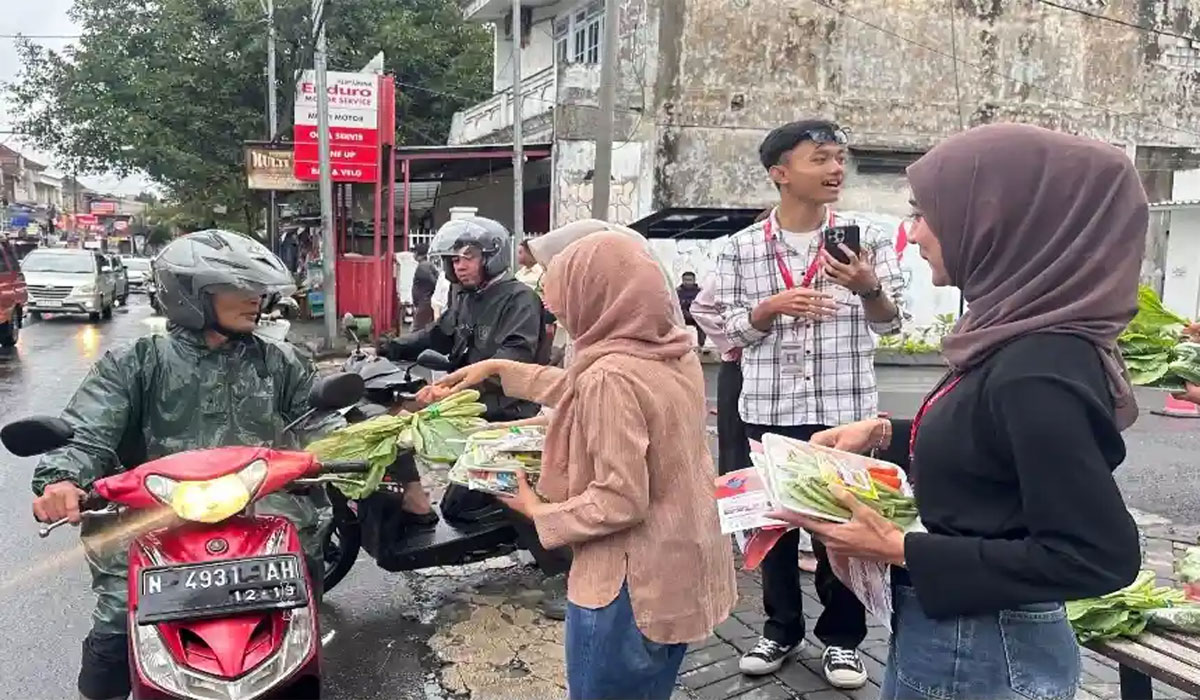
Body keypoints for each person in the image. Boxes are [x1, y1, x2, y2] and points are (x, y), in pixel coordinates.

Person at [775, 124, 1144, 700]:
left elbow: (1096, 556)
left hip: (983, 652)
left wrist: (897, 547)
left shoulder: (1038, 366)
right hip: (964, 640)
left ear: (1006, 223)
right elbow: (992, 446)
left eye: (926, 213)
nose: (915, 232)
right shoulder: (1013, 332)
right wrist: (884, 434)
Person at [435, 231, 736, 700]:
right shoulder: (673, 351)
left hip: (627, 585)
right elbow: (582, 388)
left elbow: (619, 499)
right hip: (680, 566)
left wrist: (537, 511)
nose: (558, 315)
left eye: (565, 303)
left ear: (597, 296)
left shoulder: (610, 376)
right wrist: (498, 369)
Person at [30, 230, 328, 700]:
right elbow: (87, 431)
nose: (255, 298)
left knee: (303, 582)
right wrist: (64, 478)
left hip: (259, 514)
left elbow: (323, 419)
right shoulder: (135, 362)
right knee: (115, 623)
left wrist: (359, 448)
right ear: (191, 295)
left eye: (257, 287)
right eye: (238, 287)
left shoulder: (281, 361)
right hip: (153, 520)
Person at [711, 119, 906, 686]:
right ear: (780, 173)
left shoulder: (867, 240)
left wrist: (868, 287)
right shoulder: (741, 248)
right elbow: (726, 332)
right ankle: (780, 629)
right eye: (820, 159)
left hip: (846, 412)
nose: (835, 169)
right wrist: (768, 309)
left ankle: (843, 640)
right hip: (770, 408)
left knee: (842, 527)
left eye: (839, 158)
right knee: (773, 527)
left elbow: (892, 325)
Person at [376, 216, 571, 613]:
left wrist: (452, 390)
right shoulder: (465, 297)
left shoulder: (519, 299)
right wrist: (390, 347)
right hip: (471, 408)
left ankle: (563, 573)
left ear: (492, 257)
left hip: (507, 413)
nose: (459, 265)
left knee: (503, 485)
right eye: (454, 259)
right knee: (456, 508)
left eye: (468, 257)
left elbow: (511, 361)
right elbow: (438, 335)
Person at [411, 243, 438, 330]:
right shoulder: (426, 265)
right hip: (425, 301)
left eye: (414, 252)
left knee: (418, 328)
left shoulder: (423, 266)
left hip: (424, 302)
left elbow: (432, 282)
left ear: (417, 253)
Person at [678, 271, 705, 347]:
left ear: (694, 280)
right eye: (685, 280)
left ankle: (701, 345)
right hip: (682, 316)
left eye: (689, 280)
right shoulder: (678, 291)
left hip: (696, 314)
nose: (687, 282)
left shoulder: (700, 292)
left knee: (703, 322)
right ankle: (680, 345)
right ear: (682, 280)